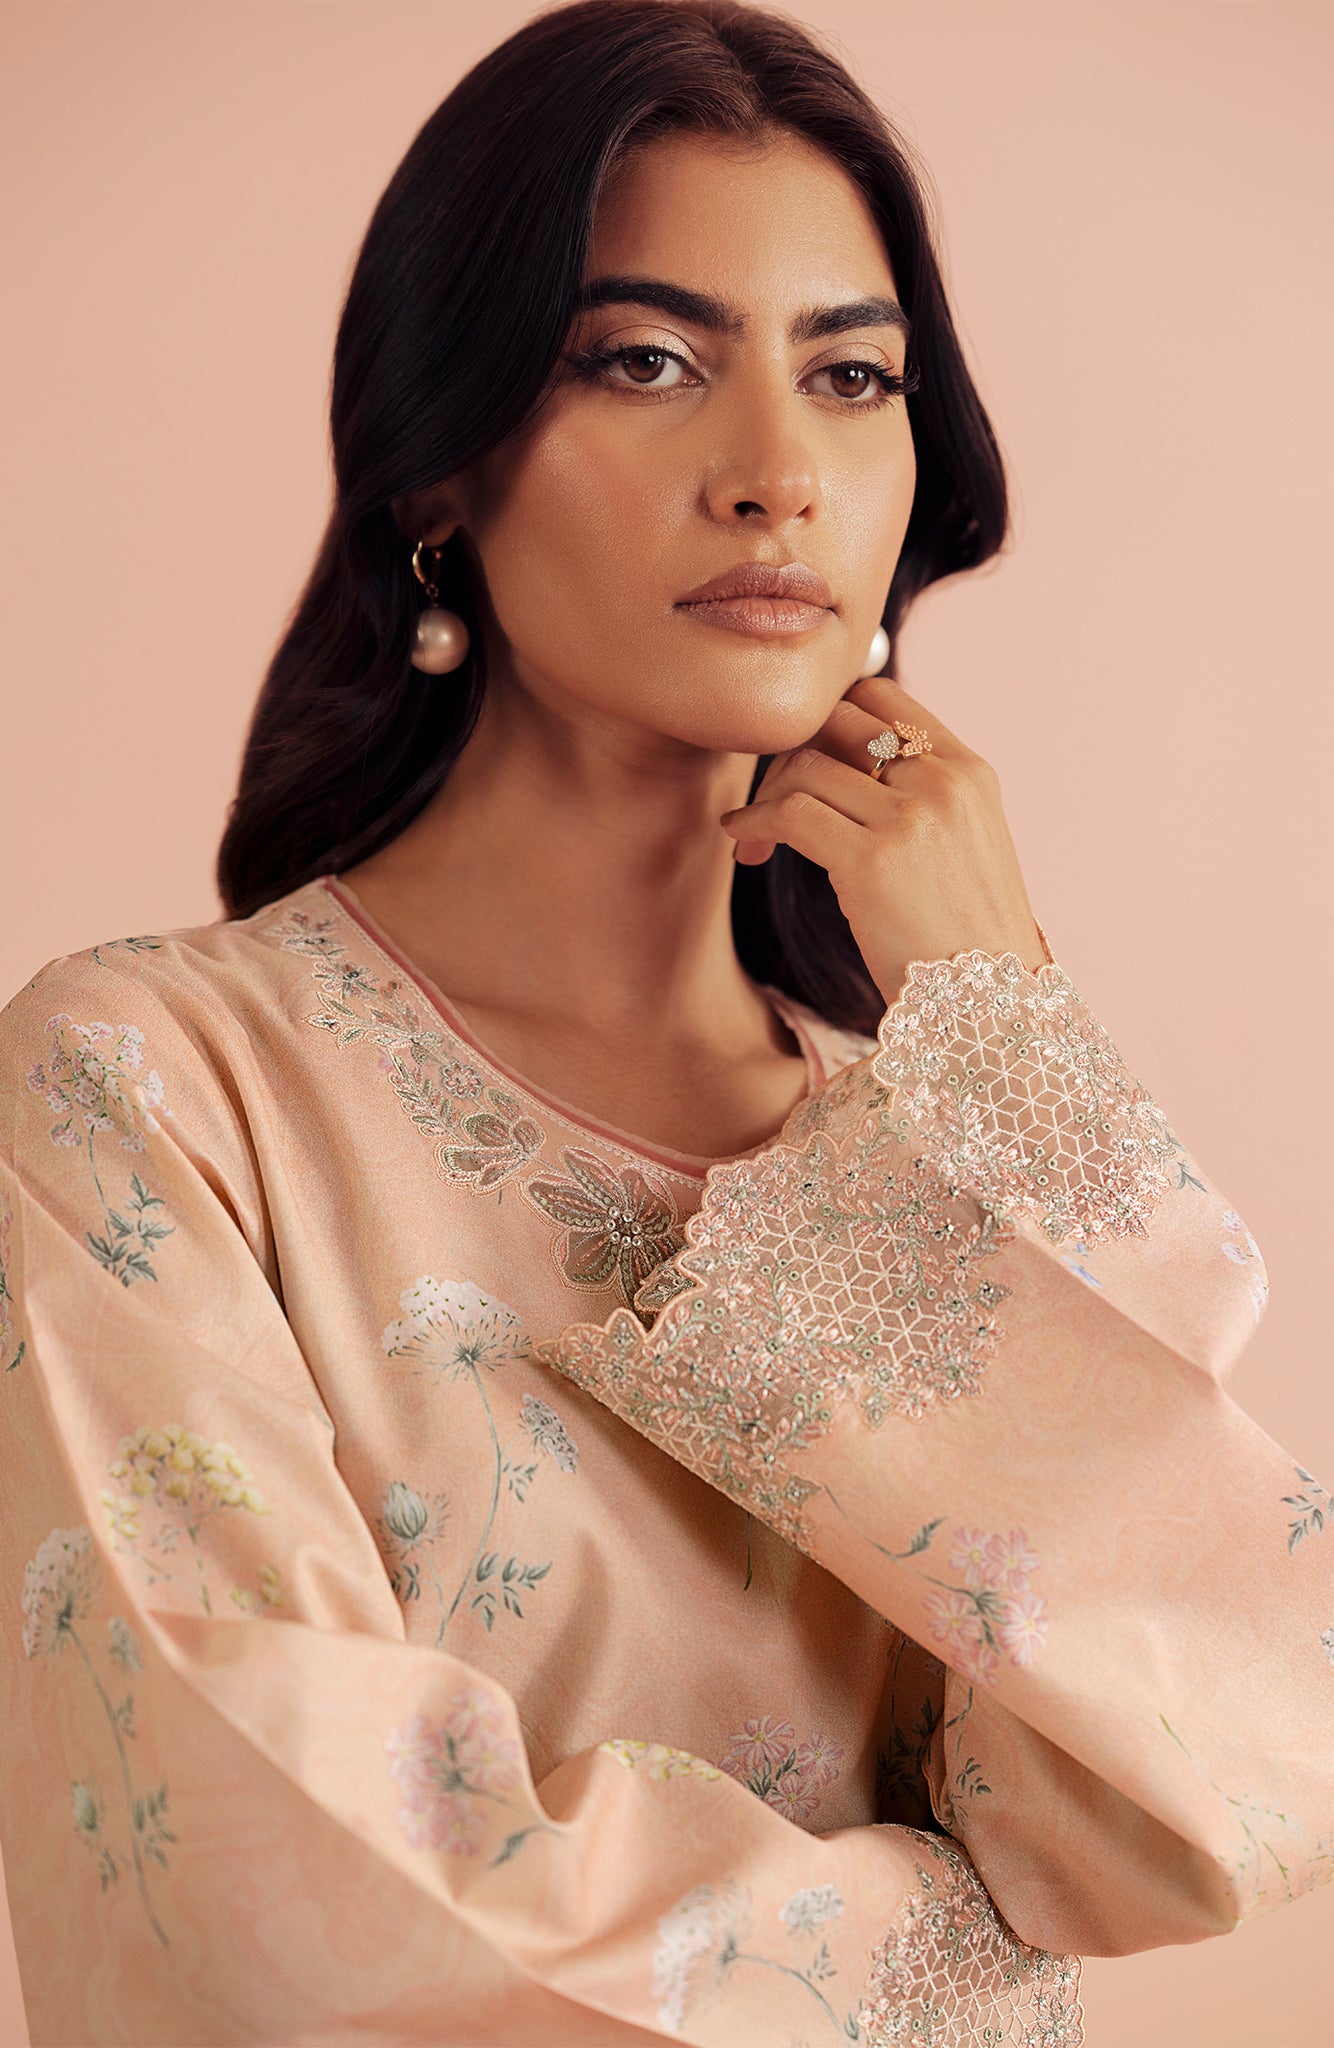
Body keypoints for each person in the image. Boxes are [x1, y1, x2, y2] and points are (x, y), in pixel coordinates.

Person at [2, 1, 1330, 2042]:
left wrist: (1009, 1053)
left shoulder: (935, 1149)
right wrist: (972, 1972)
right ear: (439, 461)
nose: (776, 476)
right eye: (645, 360)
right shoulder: (152, 1093)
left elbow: (1201, 1783)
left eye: (851, 375)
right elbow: (291, 1911)